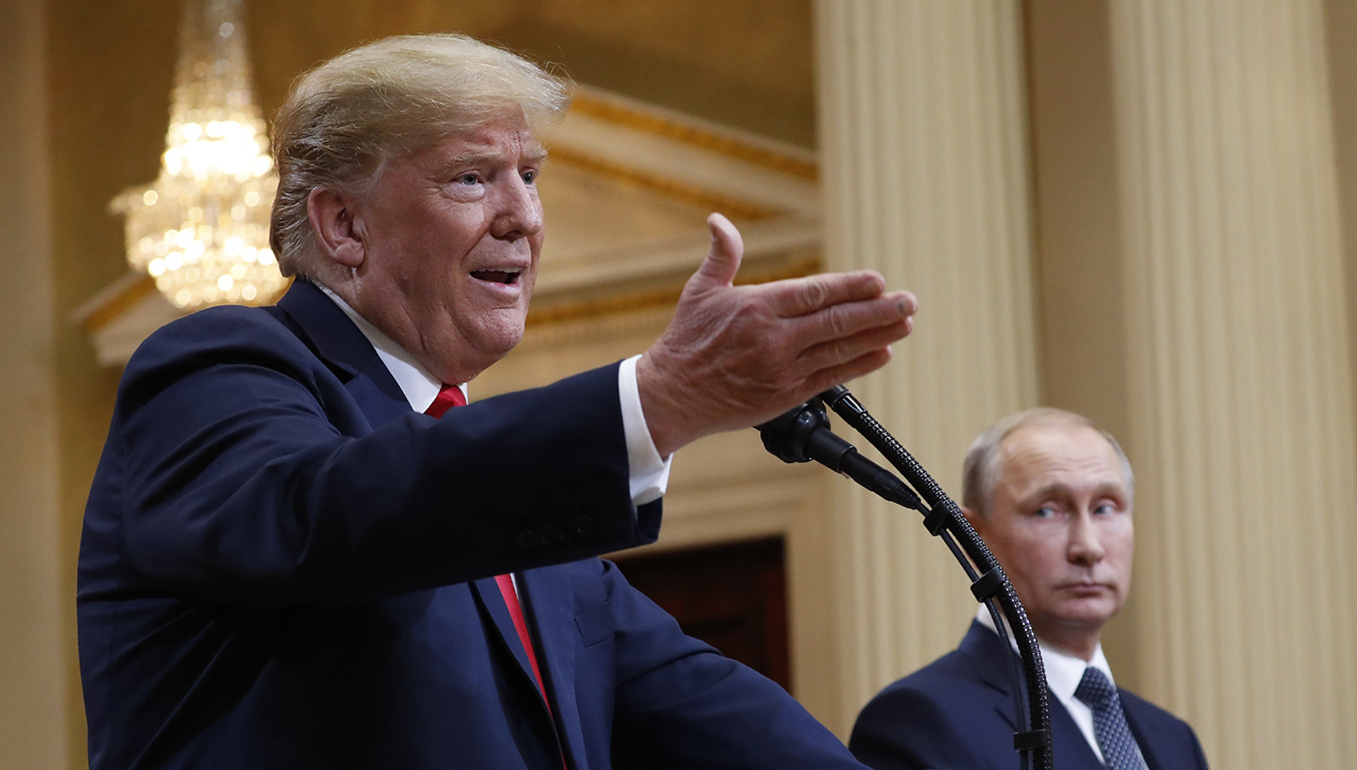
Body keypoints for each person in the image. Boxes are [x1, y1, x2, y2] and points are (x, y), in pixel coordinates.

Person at [78, 34, 918, 770]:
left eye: (530, 175)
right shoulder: (216, 367)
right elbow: (330, 511)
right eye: (471, 178)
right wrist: (654, 402)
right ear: (343, 227)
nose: (523, 217)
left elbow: (701, 702)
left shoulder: (518, 514)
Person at [849, 408, 1209, 769]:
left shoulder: (1173, 739)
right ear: (972, 539)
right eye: (1047, 511)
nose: (1088, 547)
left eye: (1104, 508)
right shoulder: (919, 721)